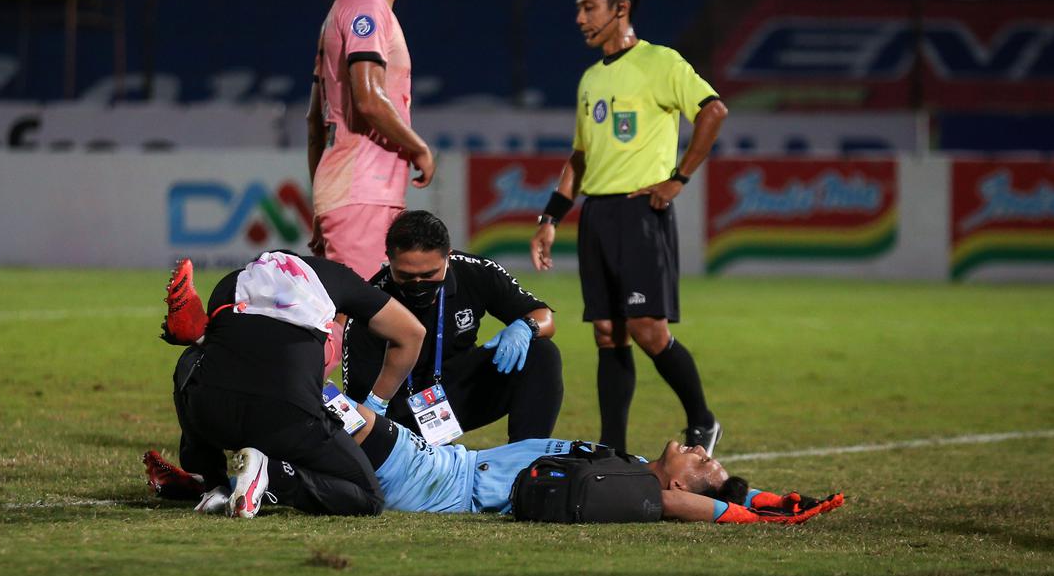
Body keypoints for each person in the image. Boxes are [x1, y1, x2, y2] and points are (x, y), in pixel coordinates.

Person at [530, 0, 730, 455]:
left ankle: (702, 419)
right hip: (597, 215)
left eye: (588, 7)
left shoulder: (660, 62)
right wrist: (550, 218)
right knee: (606, 332)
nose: (579, 18)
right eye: (579, 7)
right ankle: (612, 447)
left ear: (621, 8)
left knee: (646, 329)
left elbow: (713, 110)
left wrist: (678, 177)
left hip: (641, 213)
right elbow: (579, 158)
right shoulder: (590, 80)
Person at [144, 402, 844, 525]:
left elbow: (675, 503)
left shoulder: (635, 488)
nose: (697, 450)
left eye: (703, 463)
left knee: (332, 406)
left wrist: (741, 515)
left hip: (442, 475)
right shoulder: (630, 463)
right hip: (446, 465)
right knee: (323, 423)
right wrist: (770, 499)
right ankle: (210, 484)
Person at [158, 253, 424, 517]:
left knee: (192, 362)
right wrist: (376, 404)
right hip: (288, 417)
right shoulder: (337, 278)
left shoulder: (230, 283)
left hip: (213, 414)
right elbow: (412, 332)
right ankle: (271, 475)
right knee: (368, 498)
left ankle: (212, 483)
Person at [343, 210, 563, 442]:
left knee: (542, 353)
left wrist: (525, 327)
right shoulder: (369, 304)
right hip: (401, 414)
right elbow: (361, 403)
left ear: (448, 255)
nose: (418, 284)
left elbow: (543, 316)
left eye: (429, 274)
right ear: (389, 258)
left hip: (460, 394)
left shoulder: (475, 271)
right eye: (406, 276)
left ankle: (524, 459)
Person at [306, 0, 436, 281]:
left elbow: (315, 123)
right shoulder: (367, 6)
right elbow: (367, 97)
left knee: (379, 323)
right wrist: (418, 148)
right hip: (363, 191)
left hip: (353, 194)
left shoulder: (342, 10)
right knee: (358, 324)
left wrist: (321, 203)